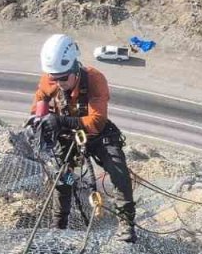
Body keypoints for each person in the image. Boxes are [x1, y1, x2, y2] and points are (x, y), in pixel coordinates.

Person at [30, 33, 137, 242]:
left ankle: (126, 224)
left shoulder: (95, 79)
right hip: (68, 138)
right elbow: (39, 100)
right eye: (54, 78)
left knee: (118, 171)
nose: (59, 82)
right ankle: (58, 226)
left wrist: (61, 121)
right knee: (64, 179)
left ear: (74, 69)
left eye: (63, 78)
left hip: (97, 137)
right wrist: (36, 119)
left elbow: (96, 122)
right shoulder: (50, 78)